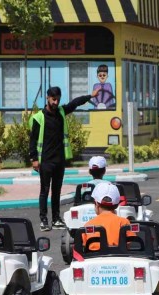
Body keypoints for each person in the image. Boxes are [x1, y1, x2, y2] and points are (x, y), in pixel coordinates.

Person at [30, 85, 101, 232]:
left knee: (56, 191)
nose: (55, 103)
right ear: (48, 98)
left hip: (59, 160)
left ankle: (56, 218)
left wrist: (91, 96)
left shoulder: (61, 112)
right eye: (53, 99)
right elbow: (33, 140)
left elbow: (75, 103)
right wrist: (34, 159)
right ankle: (44, 219)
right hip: (45, 160)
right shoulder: (39, 118)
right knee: (44, 190)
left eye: (58, 100)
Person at [83, 183, 133, 250]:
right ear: (117, 205)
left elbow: (84, 247)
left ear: (96, 203)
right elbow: (129, 244)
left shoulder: (88, 225)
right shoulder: (124, 222)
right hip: (119, 258)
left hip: (95, 259)